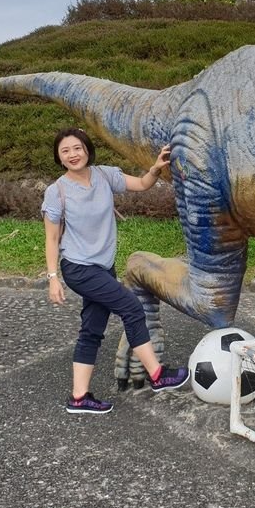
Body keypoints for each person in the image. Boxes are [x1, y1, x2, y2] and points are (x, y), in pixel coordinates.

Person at [42, 127, 189, 413]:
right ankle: (158, 375)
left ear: (87, 150)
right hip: (79, 268)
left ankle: (79, 398)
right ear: (59, 158)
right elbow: (51, 238)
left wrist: (156, 168)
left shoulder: (105, 175)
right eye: (65, 151)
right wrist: (52, 278)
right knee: (132, 307)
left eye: (77, 148)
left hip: (103, 268)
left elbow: (144, 184)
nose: (73, 154)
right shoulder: (56, 191)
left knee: (92, 330)